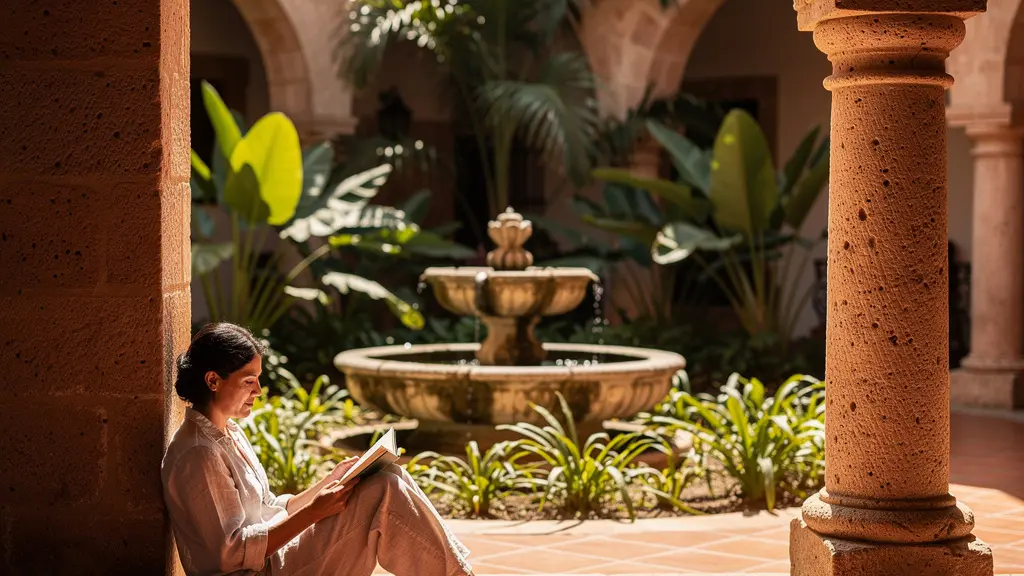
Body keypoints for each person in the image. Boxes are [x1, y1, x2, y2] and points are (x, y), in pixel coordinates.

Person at [162, 322, 473, 576]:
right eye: (248, 382)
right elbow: (229, 555)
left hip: (275, 561)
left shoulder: (227, 432)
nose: (258, 391)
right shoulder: (198, 454)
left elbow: (269, 507)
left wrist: (328, 483)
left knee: (388, 474)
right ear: (214, 380)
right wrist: (314, 512)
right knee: (385, 490)